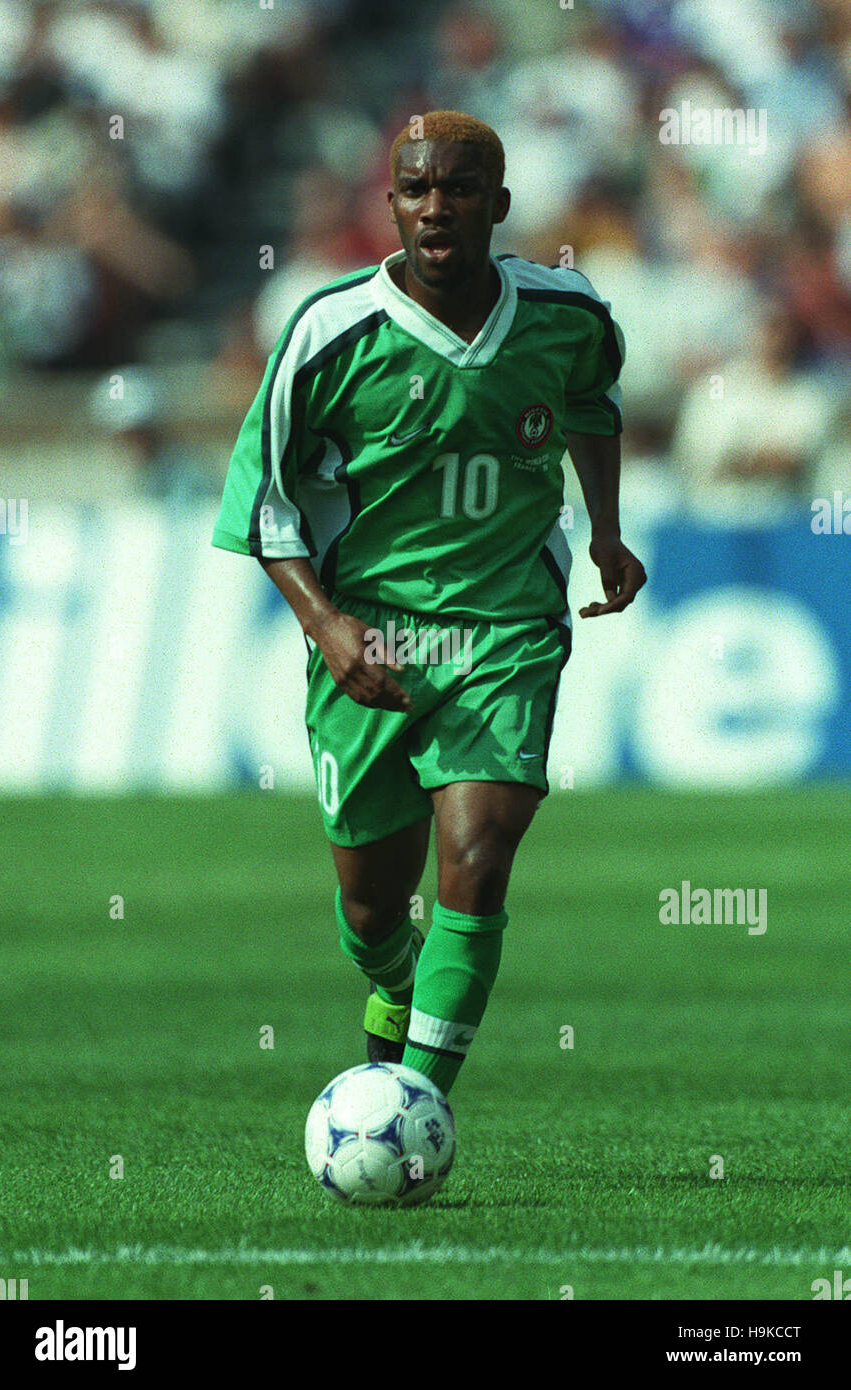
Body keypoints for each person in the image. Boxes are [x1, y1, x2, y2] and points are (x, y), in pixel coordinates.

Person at [213, 111, 646, 1096]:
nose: (435, 206)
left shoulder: (564, 313)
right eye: (415, 189)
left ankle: (416, 1101)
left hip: (504, 624)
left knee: (478, 853)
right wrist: (327, 628)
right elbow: (262, 501)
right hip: (374, 635)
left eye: (457, 188)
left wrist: (607, 529)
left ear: (498, 204)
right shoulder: (330, 332)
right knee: (371, 909)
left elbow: (590, 402)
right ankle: (394, 986)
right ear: (392, 204)